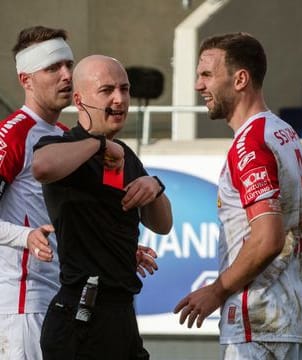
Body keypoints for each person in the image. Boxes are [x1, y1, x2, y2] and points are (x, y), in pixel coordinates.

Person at [173, 32, 302, 359]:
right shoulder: (286, 134)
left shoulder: (250, 142)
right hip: (296, 323)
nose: (199, 86)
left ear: (240, 79)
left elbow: (268, 238)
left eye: (207, 74)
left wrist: (217, 290)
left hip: (259, 324)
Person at [32, 54, 172, 359]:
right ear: (80, 100)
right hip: (80, 317)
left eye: (124, 89)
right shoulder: (63, 145)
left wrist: (155, 187)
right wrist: (98, 143)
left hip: (120, 316)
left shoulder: (126, 156)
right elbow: (41, 167)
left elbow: (163, 225)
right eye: (107, 90)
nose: (119, 99)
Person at [0, 25, 74, 360]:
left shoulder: (65, 135)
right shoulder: (14, 134)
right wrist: (25, 236)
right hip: (21, 305)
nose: (66, 75)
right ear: (25, 79)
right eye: (53, 68)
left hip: (61, 298)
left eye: (69, 65)